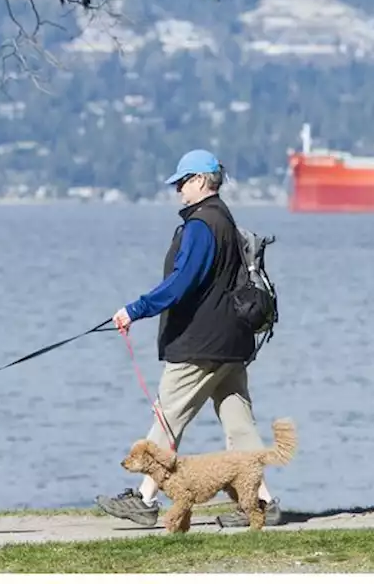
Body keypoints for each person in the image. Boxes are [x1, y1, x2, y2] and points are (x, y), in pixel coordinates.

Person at [95, 148, 281, 529]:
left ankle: (144, 498)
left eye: (182, 182)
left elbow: (181, 284)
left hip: (200, 344)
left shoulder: (201, 225)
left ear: (199, 181)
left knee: (168, 417)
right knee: (239, 421)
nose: (178, 191)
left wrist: (134, 310)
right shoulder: (224, 219)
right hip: (232, 341)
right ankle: (264, 502)